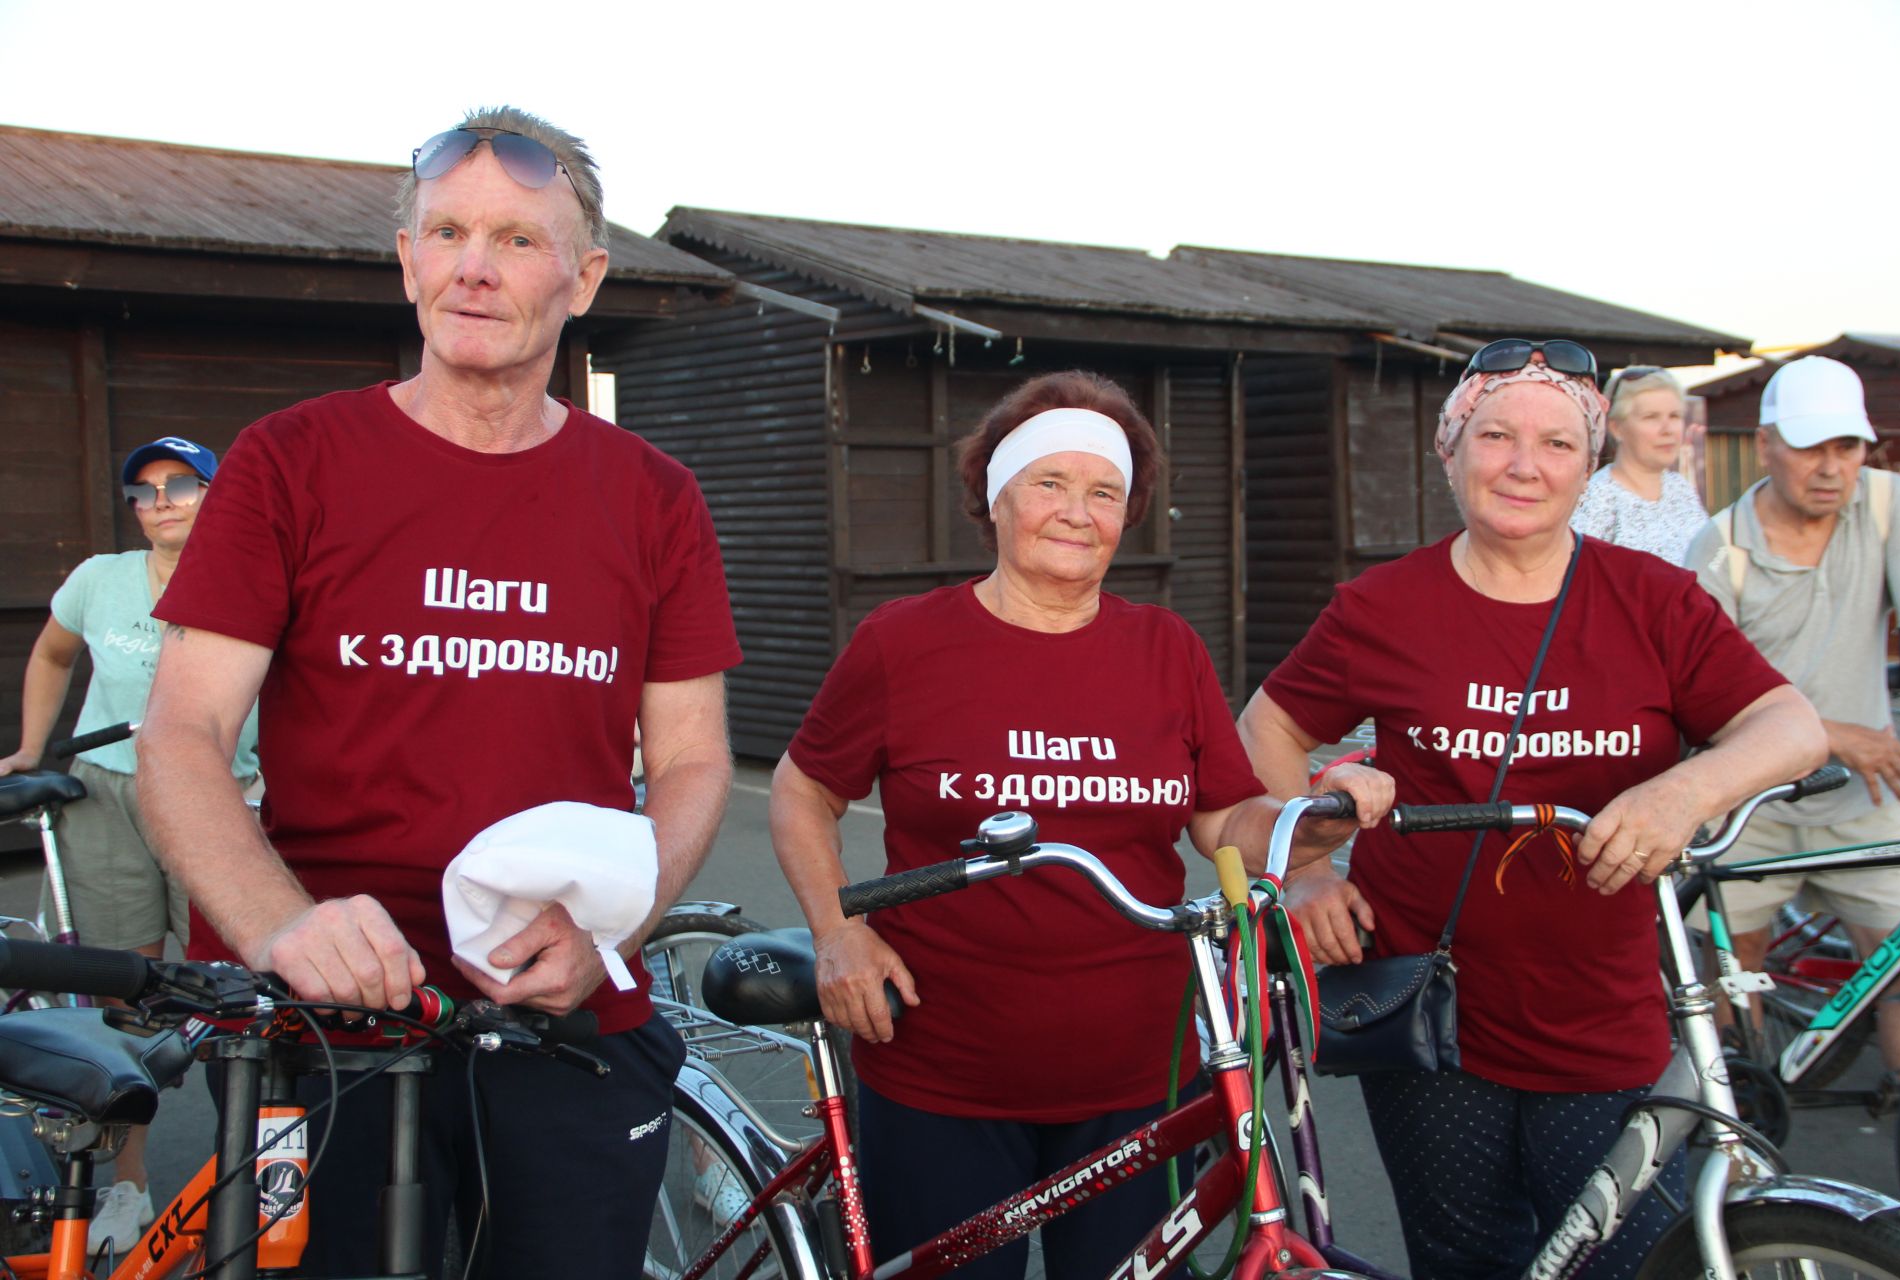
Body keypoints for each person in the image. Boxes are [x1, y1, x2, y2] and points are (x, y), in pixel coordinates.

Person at [134, 107, 739, 1275]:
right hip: (324, 1016)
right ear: (407, 257)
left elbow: (694, 759)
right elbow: (184, 733)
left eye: (517, 238)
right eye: (447, 230)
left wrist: (617, 918)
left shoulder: (654, 495)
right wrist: (281, 924)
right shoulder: (289, 460)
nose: (474, 264)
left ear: (585, 276)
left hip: (561, 1005)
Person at [768, 370, 1389, 1279]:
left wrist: (1316, 822)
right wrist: (838, 932)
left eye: (1103, 491)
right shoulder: (904, 642)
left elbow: (1224, 819)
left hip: (1143, 1074)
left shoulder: (1165, 648)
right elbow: (800, 788)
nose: (1076, 512)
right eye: (1048, 484)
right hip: (944, 1073)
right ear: (996, 496)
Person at [1237, 338, 1825, 1280]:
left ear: (1589, 464)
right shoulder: (1383, 605)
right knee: (1466, 1259)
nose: (1523, 464)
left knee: (1626, 1260)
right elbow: (1264, 727)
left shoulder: (1654, 600)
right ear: (1451, 450)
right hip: (1429, 1020)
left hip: (1604, 1017)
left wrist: (1688, 787)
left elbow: (1789, 725)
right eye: (1495, 435)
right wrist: (1308, 870)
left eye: (1556, 443)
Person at [0, 436, 259, 1252]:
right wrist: (32, 749)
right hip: (109, 791)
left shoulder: (255, 572)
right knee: (123, 990)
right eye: (143, 492)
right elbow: (51, 653)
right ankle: (128, 1185)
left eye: (181, 484)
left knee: (237, 994)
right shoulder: (97, 579)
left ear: (218, 491)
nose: (161, 502)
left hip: (223, 792)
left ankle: (249, 1176)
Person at [1685, 354, 1900, 1097]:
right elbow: (1704, 702)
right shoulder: (1719, 548)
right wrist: (1836, 735)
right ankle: (1741, 1116)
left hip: (1863, 798)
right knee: (1735, 966)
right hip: (1753, 798)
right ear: (1765, 445)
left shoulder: (1887, 504)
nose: (1831, 467)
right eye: (1811, 446)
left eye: (1846, 447)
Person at [1569, 365, 1709, 563]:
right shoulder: (1596, 499)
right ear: (1616, 428)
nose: (1667, 429)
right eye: (1651, 417)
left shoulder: (1680, 488)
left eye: (1674, 416)